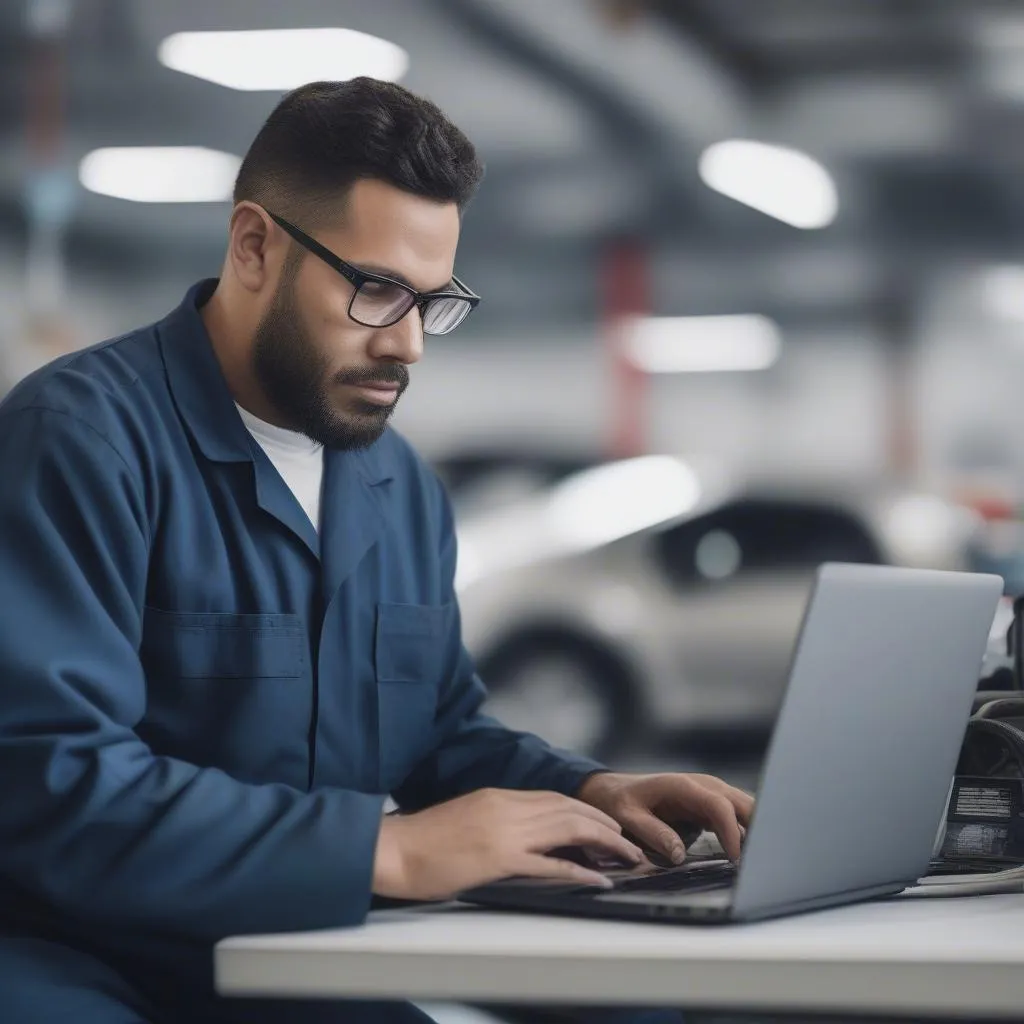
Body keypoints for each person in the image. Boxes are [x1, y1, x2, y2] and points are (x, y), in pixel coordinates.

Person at [0, 78, 752, 1024]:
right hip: (85, 958)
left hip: (304, 952)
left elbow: (441, 735)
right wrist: (385, 852)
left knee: (639, 1008)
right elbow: (50, 779)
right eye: (376, 290)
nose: (409, 345)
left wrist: (593, 791)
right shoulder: (80, 441)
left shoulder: (398, 489)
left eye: (432, 302)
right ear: (254, 247)